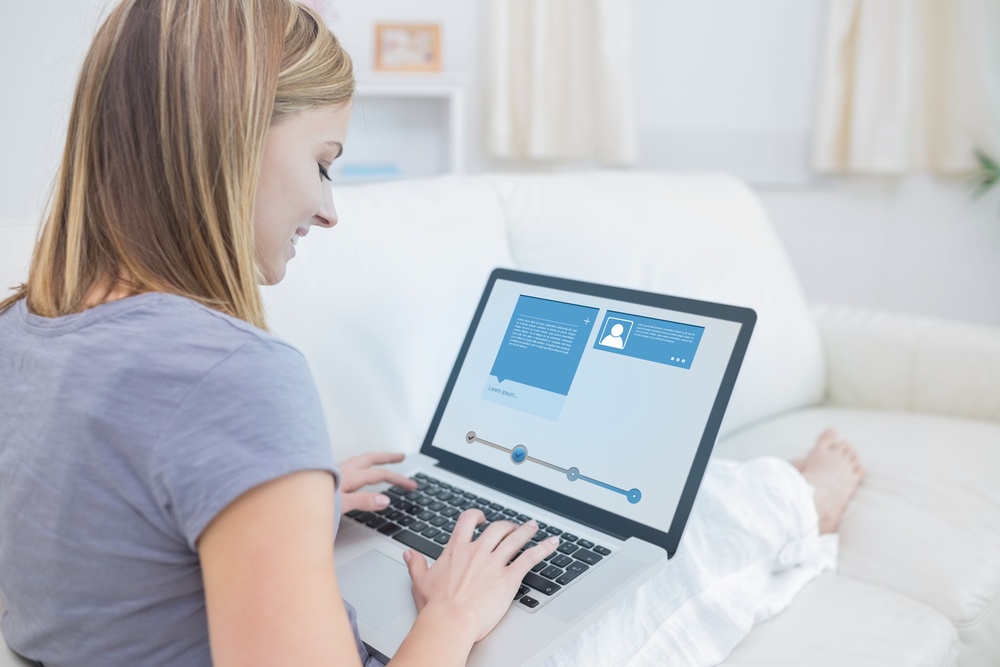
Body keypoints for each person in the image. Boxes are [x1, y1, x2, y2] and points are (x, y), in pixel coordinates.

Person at [0, 1, 864, 665]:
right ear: (228, 142)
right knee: (698, 539)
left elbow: (109, 541)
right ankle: (797, 502)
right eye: (324, 160)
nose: (330, 210)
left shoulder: (23, 324)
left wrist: (272, 500)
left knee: (654, 508)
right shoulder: (234, 377)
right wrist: (448, 619)